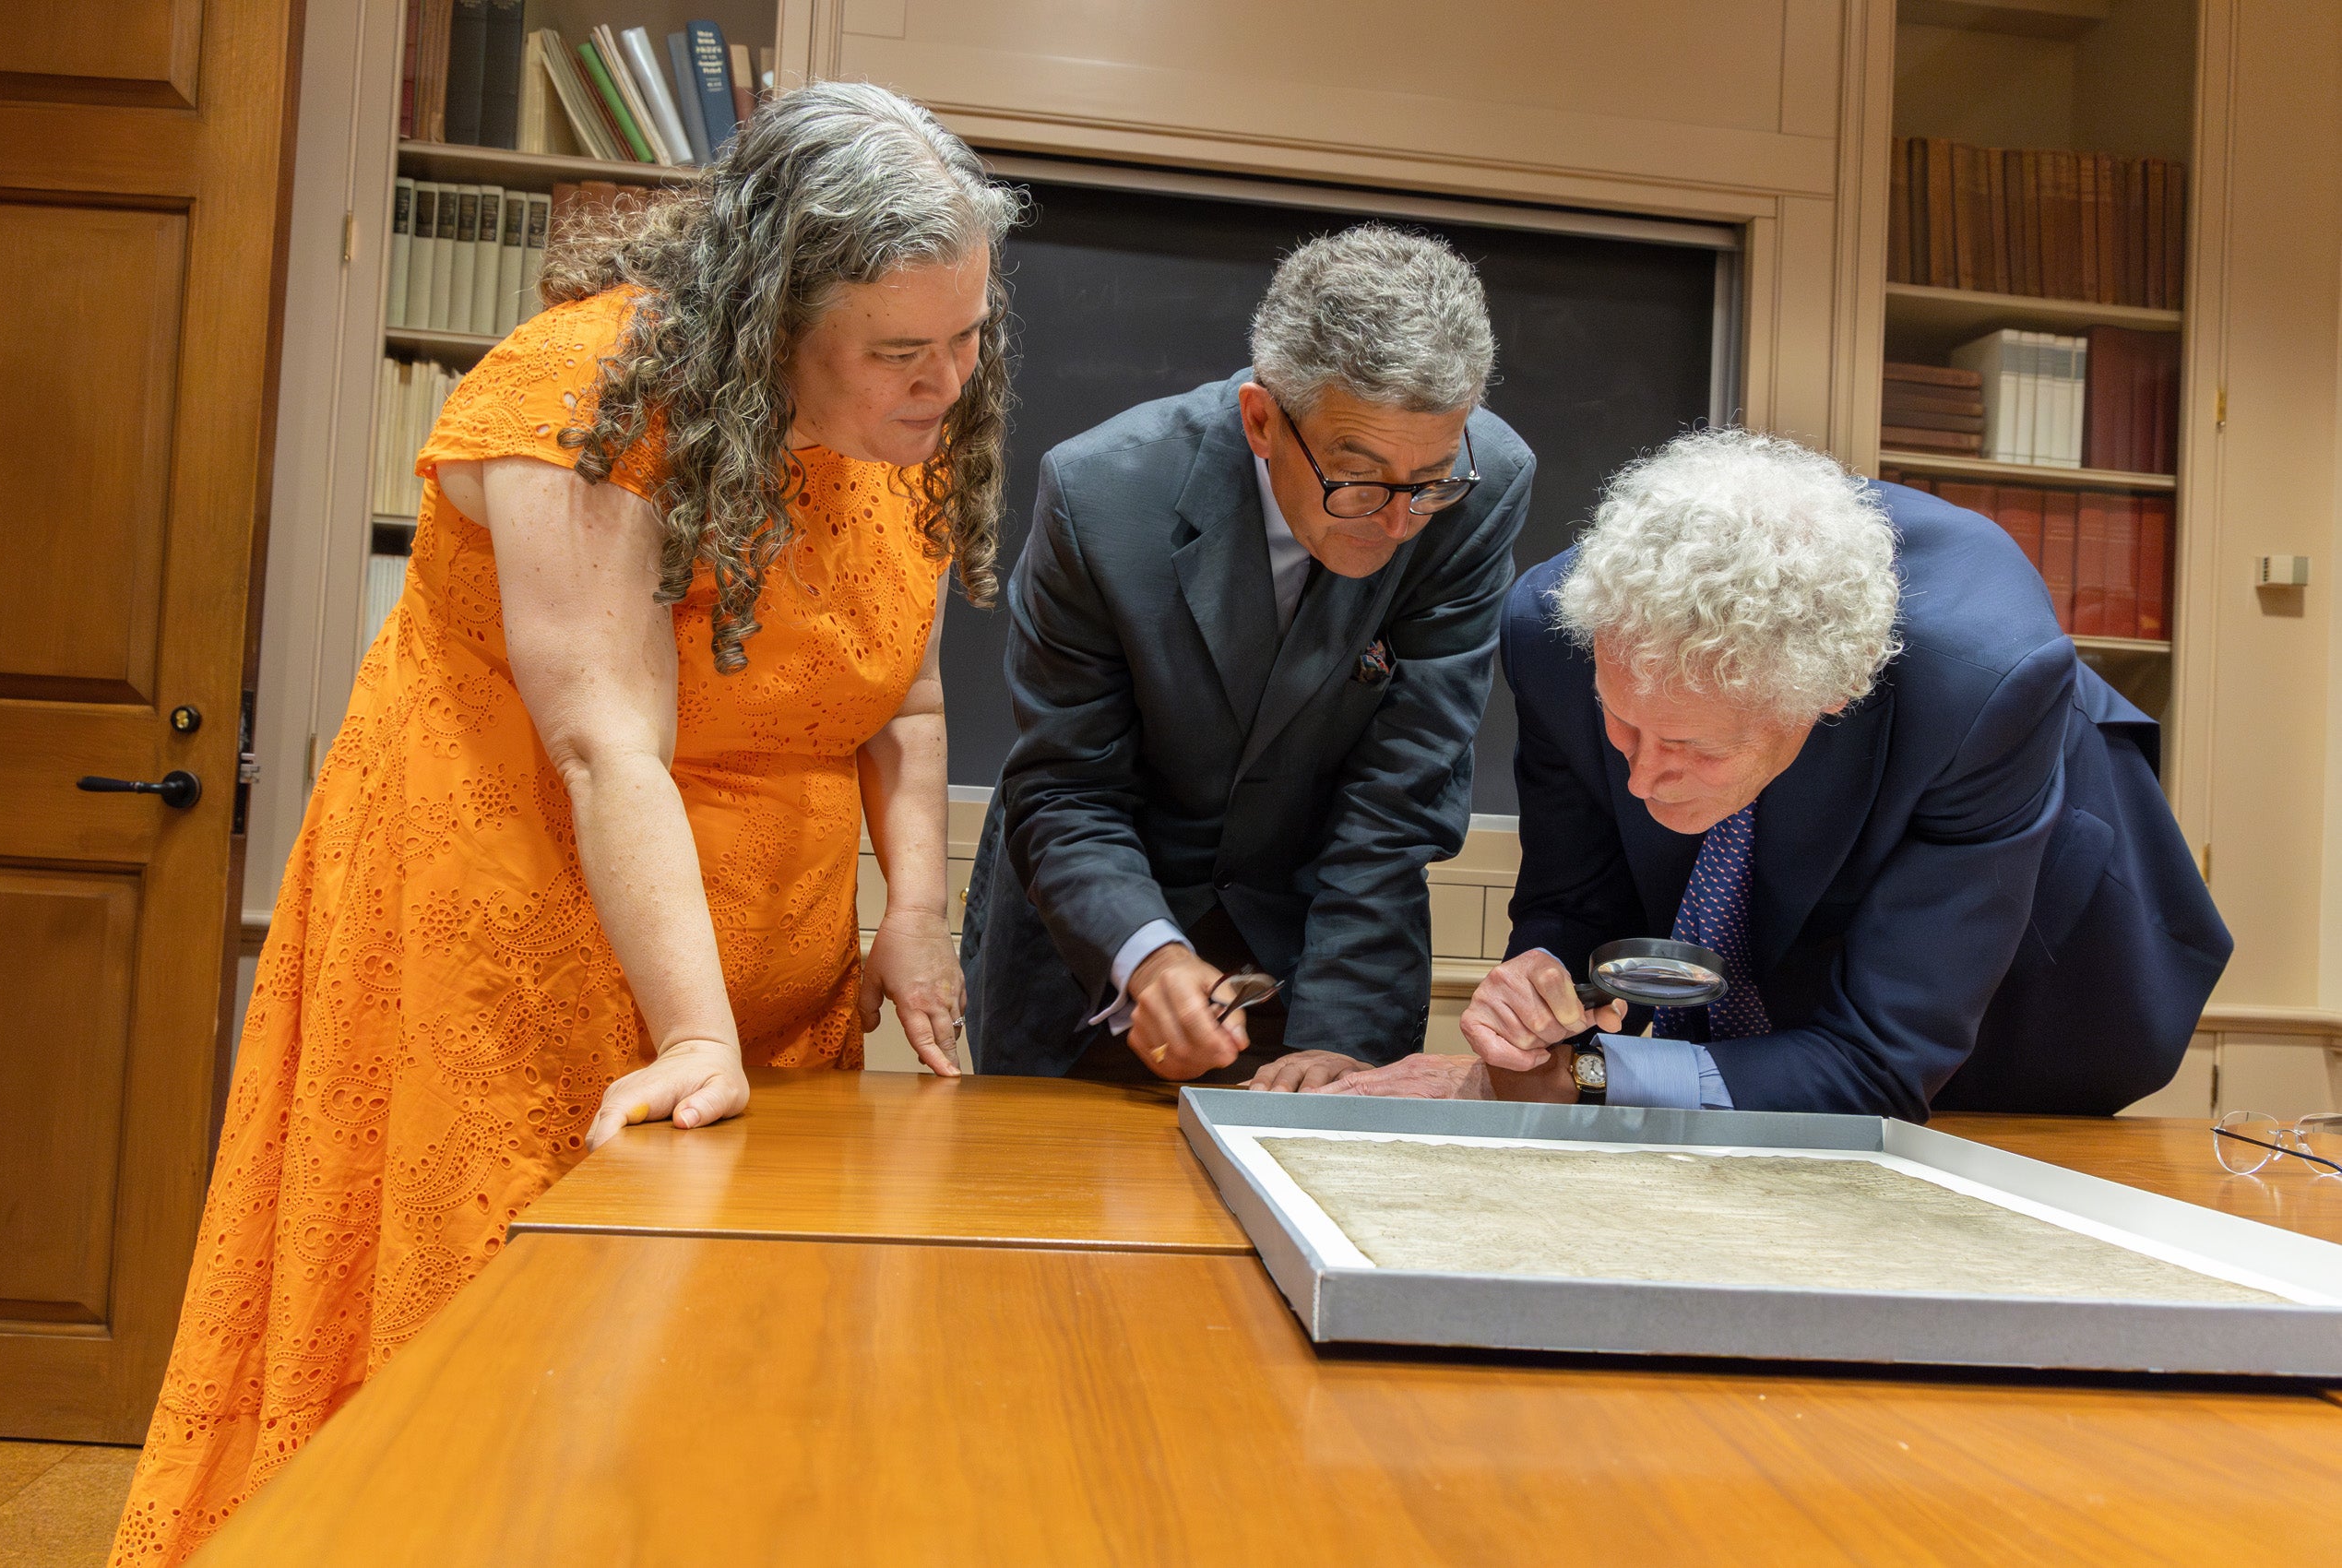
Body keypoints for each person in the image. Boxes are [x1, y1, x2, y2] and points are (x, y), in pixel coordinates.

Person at [111, 83, 1019, 1563]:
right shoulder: (578, 401)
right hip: (522, 936)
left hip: (751, 984)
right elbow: (606, 746)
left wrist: (912, 912)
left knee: (701, 1385)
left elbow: (902, 703)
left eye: (970, 334)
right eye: (903, 352)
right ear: (772, 320)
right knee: (491, 1355)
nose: (949, 380)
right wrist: (698, 1035)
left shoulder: (911, 411)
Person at [1323, 428, 2230, 1116]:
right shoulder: (1553, 631)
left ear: (1826, 697)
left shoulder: (1986, 677)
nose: (1642, 781)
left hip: (2023, 1001)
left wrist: (1586, 1076)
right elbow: (1579, 896)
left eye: (1697, 750)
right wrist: (1543, 986)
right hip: (1793, 975)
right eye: (1624, 727)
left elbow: (1880, 1061)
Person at [961, 226, 1532, 1087]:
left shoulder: (1481, 487)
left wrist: (1338, 1036)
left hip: (1325, 954)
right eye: (1360, 478)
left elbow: (1401, 790)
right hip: (1098, 956)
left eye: (1430, 482)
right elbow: (1070, 784)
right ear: (1262, 421)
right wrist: (1148, 958)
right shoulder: (1101, 493)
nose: (1396, 523)